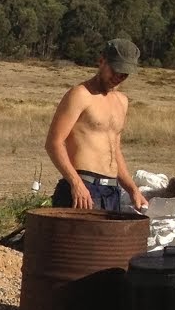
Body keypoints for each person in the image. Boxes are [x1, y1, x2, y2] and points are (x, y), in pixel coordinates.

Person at [44, 37, 148, 212]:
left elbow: (115, 150)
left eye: (124, 74)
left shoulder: (122, 101)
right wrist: (75, 183)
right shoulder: (80, 95)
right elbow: (53, 143)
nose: (118, 77)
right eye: (115, 70)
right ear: (101, 62)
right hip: (83, 188)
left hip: (112, 191)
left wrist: (132, 189)